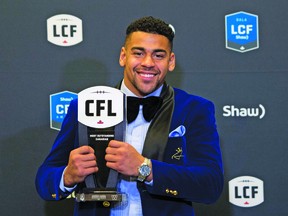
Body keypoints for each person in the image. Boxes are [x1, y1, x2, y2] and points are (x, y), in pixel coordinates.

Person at [35, 16, 224, 216]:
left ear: (171, 61)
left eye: (158, 55)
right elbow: (44, 180)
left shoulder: (195, 109)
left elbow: (210, 185)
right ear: (123, 56)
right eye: (138, 53)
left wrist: (145, 168)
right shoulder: (84, 105)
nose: (148, 63)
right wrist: (67, 176)